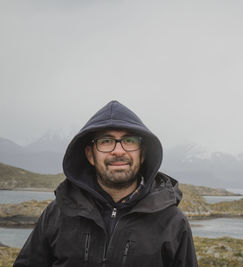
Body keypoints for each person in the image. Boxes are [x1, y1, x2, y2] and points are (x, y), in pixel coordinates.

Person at [13, 100, 198, 267]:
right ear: (90, 155)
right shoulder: (57, 213)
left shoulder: (172, 222)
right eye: (106, 141)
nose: (118, 151)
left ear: (142, 154)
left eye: (129, 140)